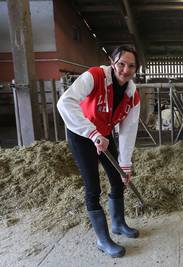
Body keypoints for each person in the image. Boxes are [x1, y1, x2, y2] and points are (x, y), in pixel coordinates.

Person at [57, 45, 141, 258]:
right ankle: (103, 240)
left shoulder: (132, 95)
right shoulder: (95, 76)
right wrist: (91, 133)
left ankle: (119, 224)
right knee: (93, 187)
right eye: (121, 64)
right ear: (112, 62)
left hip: (104, 136)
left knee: (117, 178)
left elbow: (128, 130)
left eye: (131, 66)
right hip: (81, 134)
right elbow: (65, 102)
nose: (125, 70)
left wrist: (126, 163)